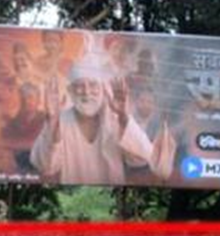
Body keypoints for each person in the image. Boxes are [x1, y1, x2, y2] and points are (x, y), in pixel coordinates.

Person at [29, 58, 163, 186]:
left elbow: (142, 158)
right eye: (80, 85)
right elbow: (46, 166)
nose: (87, 92)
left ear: (103, 89)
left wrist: (123, 116)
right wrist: (52, 121)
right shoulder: (59, 121)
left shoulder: (116, 119)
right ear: (70, 91)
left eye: (93, 84)